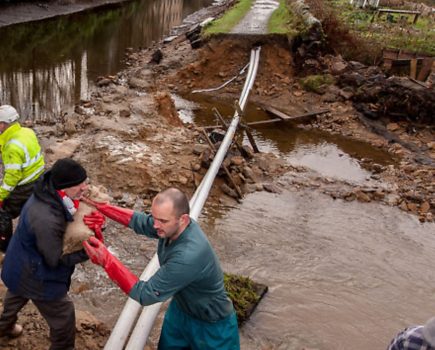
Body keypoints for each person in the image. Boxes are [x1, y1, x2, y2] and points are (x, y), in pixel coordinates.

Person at [83, 187, 240, 350]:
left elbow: (145, 294)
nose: (155, 225)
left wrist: (106, 260)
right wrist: (104, 208)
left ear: (183, 220)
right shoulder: (170, 226)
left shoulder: (188, 255)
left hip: (212, 326)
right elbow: (141, 222)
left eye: (162, 221)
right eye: (155, 217)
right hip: (180, 312)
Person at [0, 158, 103, 349]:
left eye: (85, 181)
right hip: (37, 275)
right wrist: (89, 252)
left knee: (15, 295)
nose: (84, 187)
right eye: (78, 185)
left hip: (18, 263)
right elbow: (54, 259)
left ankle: (4, 327)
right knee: (63, 315)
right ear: (64, 186)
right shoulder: (46, 218)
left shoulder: (47, 188)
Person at [0, 105, 45, 252]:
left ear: (3, 124)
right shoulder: (26, 132)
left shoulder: (11, 147)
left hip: (25, 185)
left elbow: (13, 177)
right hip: (39, 176)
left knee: (3, 212)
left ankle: (4, 248)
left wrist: (1, 195)